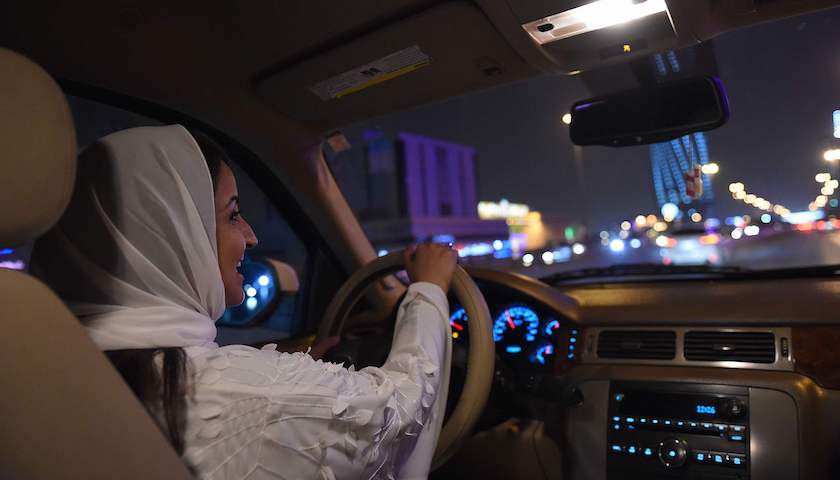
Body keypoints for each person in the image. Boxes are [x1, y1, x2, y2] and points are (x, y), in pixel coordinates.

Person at [29, 125, 457, 479]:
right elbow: (402, 410)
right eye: (232, 215)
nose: (251, 236)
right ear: (172, 234)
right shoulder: (263, 397)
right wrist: (429, 290)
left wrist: (298, 368)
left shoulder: (37, 376)